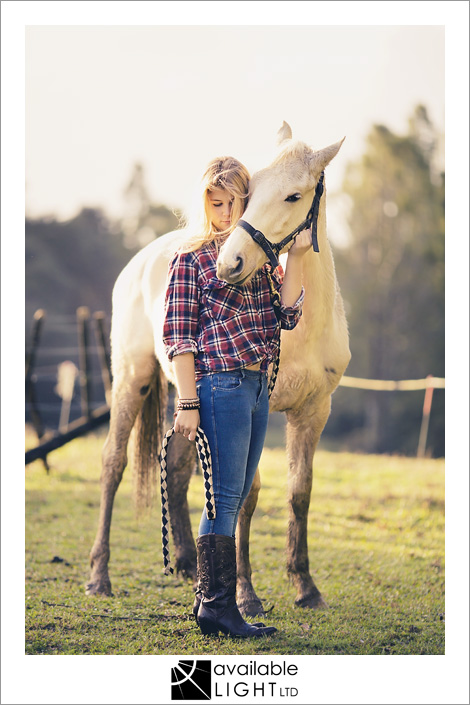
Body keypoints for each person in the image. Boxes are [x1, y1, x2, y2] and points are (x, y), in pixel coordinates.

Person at [162, 156, 312, 637]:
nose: (225, 213)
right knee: (224, 498)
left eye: (233, 203)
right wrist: (187, 403)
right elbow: (180, 336)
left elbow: (287, 315)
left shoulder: (257, 255)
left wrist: (300, 256)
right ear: (204, 203)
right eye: (216, 203)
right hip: (220, 384)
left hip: (255, 384)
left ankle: (214, 606)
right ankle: (219, 608)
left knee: (234, 494)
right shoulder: (191, 258)